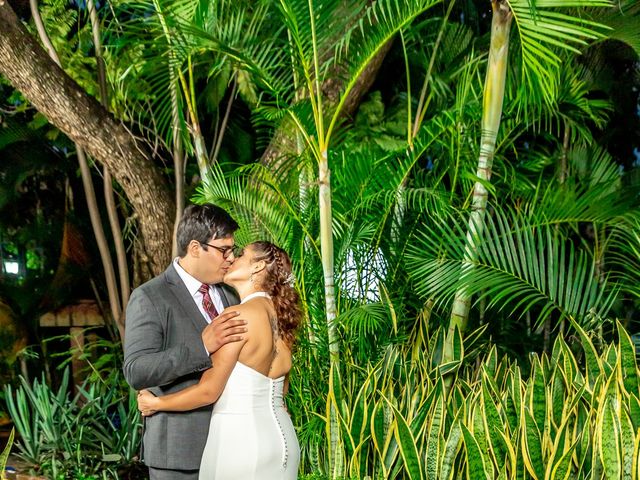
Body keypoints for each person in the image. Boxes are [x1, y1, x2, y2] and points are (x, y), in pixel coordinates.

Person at [137, 241, 301, 480]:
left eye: (242, 254)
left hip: (239, 442)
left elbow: (208, 391)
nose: (232, 258)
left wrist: (157, 404)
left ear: (259, 266)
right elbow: (281, 389)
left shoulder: (236, 316)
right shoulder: (282, 320)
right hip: (282, 441)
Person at [123, 204, 248, 480]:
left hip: (230, 448)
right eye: (223, 250)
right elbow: (136, 370)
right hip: (178, 454)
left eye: (233, 250)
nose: (230, 258)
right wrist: (201, 346)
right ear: (194, 247)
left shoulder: (231, 294)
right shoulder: (150, 297)